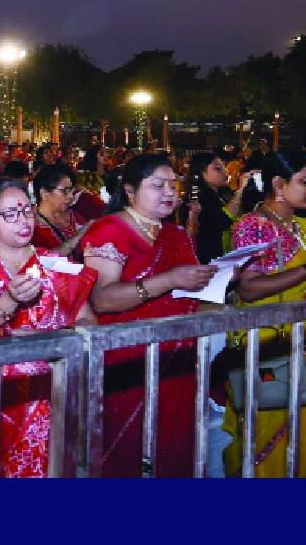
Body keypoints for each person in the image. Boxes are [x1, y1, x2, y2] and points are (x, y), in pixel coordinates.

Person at [0, 177, 96, 477]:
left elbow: (88, 321)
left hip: (51, 392)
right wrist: (6, 303)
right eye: (9, 214)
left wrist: (50, 339)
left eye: (26, 210)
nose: (23, 221)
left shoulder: (53, 264)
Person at [80, 153, 217, 477]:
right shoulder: (108, 230)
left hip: (179, 361)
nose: (169, 192)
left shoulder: (175, 234)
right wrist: (169, 280)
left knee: (178, 449)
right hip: (130, 363)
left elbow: (186, 292)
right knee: (130, 452)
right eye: (158, 185)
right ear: (130, 190)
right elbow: (101, 299)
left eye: (173, 184)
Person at [222, 149, 306, 477]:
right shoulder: (254, 227)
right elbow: (249, 288)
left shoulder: (299, 224)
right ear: (278, 184)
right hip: (269, 346)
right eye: (304, 181)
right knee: (268, 437)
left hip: (298, 340)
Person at [182, 151, 248, 264]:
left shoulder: (221, 194)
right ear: (201, 172)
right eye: (218, 168)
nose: (225, 172)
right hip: (207, 264)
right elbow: (223, 221)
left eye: (224, 166)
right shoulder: (196, 198)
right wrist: (240, 190)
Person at [31, 164, 89, 257]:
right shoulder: (32, 226)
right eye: (65, 191)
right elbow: (42, 260)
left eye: (71, 190)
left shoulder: (75, 216)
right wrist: (79, 235)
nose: (71, 196)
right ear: (44, 193)